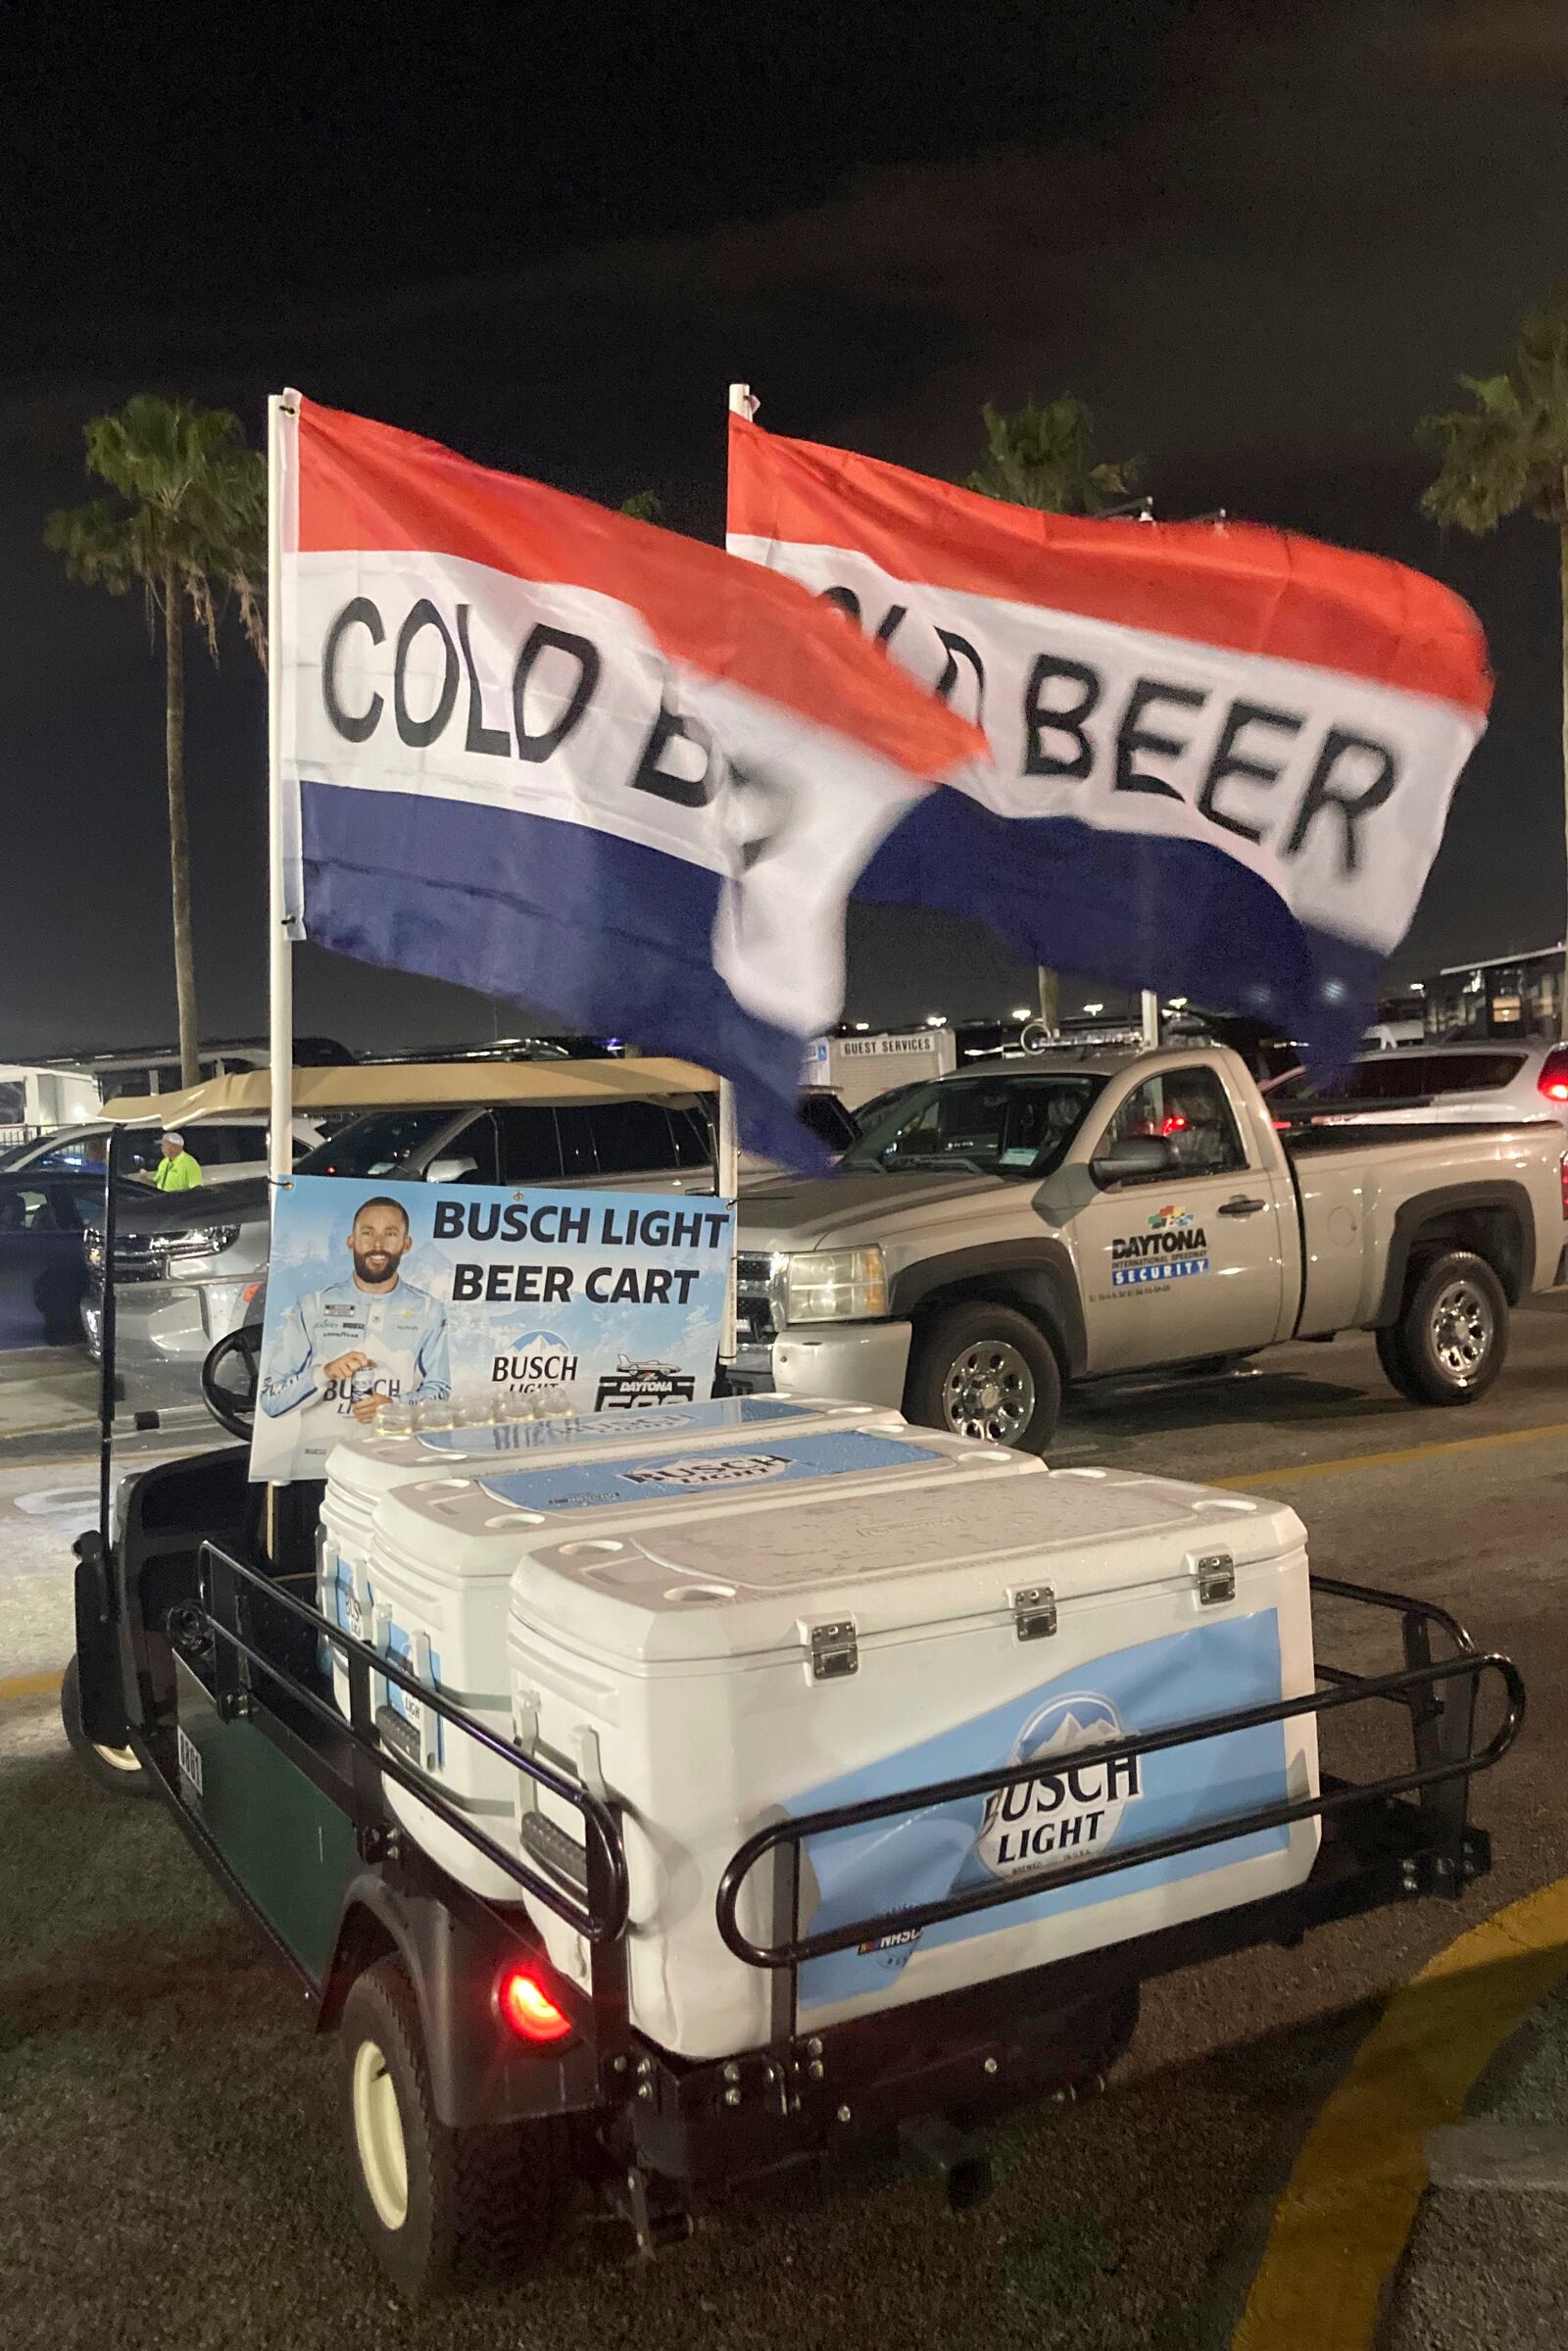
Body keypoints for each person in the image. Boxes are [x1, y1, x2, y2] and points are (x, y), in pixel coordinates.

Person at [259, 1196, 450, 1434]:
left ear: (406, 1244)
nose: (377, 1244)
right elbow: (271, 1401)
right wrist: (324, 1373)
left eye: (390, 1234)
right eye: (367, 1233)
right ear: (352, 1241)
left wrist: (396, 1406)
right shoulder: (312, 1306)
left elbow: (440, 1393)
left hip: (394, 1456)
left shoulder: (429, 1310)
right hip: (319, 1462)